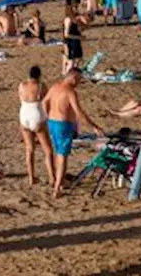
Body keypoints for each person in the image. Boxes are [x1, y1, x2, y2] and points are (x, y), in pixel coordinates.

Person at [42, 68, 105, 198]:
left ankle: (57, 181)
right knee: (62, 156)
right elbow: (79, 112)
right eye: (79, 80)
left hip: (52, 122)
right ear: (73, 78)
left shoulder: (55, 87)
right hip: (63, 125)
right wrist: (94, 126)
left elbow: (44, 102)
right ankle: (57, 188)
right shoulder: (70, 92)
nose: (78, 83)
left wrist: (47, 115)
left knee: (57, 152)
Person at [17, 66, 55, 186]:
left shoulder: (22, 85)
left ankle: (31, 177)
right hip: (36, 114)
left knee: (30, 149)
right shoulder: (41, 86)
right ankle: (52, 177)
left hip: (24, 115)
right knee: (48, 150)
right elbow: (46, 101)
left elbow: (20, 98)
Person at [61, 3, 84, 73]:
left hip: (76, 41)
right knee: (71, 60)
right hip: (71, 42)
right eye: (74, 8)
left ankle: (72, 71)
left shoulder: (75, 19)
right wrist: (78, 37)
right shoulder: (68, 20)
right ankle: (67, 72)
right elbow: (66, 34)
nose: (76, 9)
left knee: (78, 58)